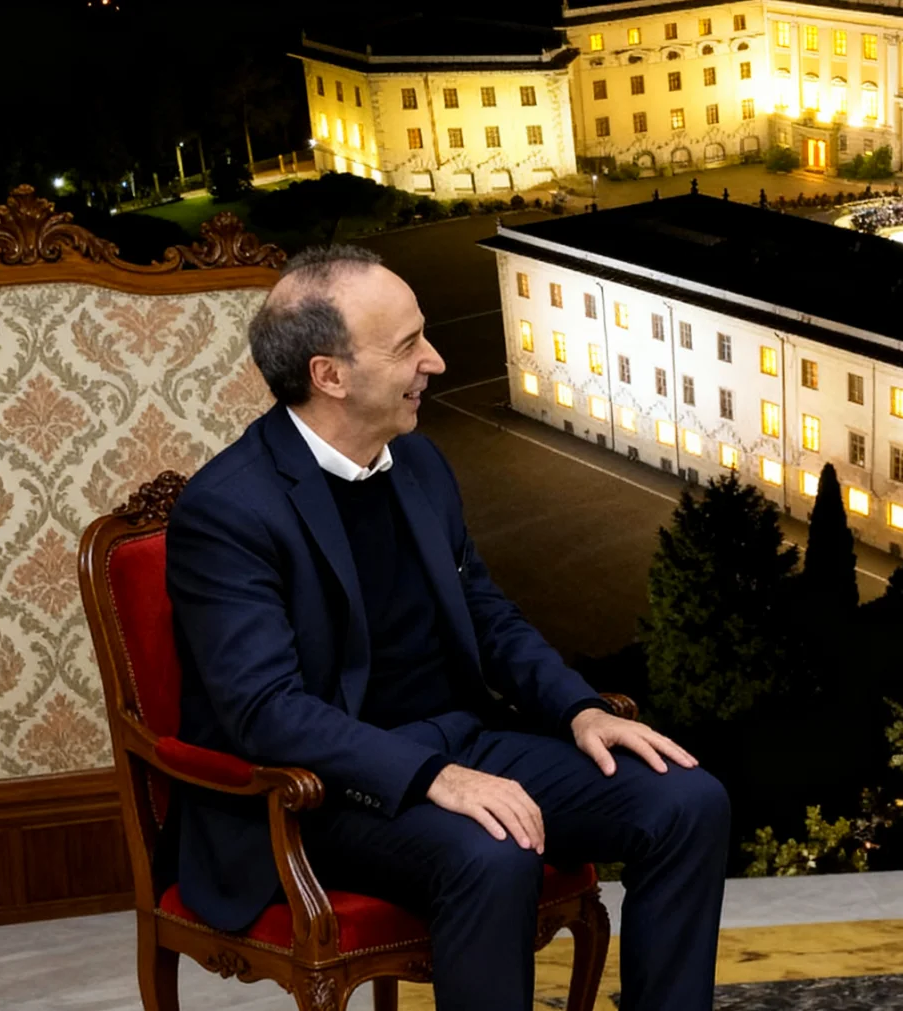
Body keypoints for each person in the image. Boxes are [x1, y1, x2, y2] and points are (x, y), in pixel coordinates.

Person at [165, 246, 729, 1011]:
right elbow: (266, 711)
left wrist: (578, 707)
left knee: (687, 802)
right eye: (407, 346)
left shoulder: (420, 462)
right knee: (493, 851)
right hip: (319, 794)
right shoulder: (228, 509)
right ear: (329, 375)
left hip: (461, 741)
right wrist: (432, 777)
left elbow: (486, 612)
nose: (434, 358)